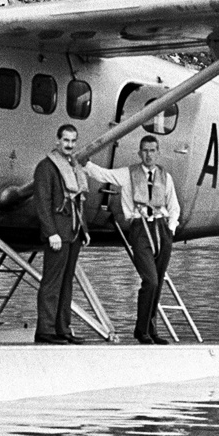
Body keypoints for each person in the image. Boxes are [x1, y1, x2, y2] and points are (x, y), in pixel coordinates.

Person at [85, 135, 180, 344]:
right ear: (139, 153)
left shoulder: (166, 177)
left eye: (153, 150)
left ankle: (151, 329)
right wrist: (85, 163)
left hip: (162, 229)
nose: (148, 155)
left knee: (158, 283)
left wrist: (170, 229)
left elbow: (174, 206)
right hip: (140, 229)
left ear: (158, 153)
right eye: (145, 151)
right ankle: (141, 330)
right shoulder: (128, 174)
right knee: (150, 280)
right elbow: (104, 175)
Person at [34, 123, 91, 344]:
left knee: (67, 282)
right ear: (57, 141)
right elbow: (42, 202)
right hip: (58, 234)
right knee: (52, 282)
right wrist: (51, 233)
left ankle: (62, 329)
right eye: (66, 140)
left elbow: (78, 202)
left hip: (73, 234)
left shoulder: (73, 166)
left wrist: (85, 230)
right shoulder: (46, 168)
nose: (69, 145)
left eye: (73, 141)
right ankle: (45, 330)